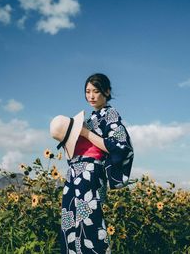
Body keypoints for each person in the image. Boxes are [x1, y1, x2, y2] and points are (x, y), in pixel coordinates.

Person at [50, 73, 134, 254]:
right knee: (70, 222)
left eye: (96, 91)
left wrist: (86, 133)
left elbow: (120, 147)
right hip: (73, 177)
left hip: (90, 175)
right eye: (88, 92)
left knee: (90, 222)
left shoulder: (110, 114)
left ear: (107, 91)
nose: (91, 96)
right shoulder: (90, 119)